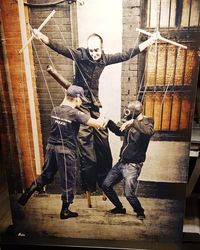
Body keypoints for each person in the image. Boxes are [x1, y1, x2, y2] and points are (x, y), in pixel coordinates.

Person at [32, 28, 159, 193]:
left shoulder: (105, 59)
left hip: (94, 104)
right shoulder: (80, 55)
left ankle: (104, 182)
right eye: (91, 50)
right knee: (86, 146)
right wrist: (41, 36)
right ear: (87, 49)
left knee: (103, 142)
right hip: (80, 104)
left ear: (102, 47)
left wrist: (150, 41)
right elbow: (59, 48)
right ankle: (89, 186)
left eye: (96, 50)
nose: (94, 54)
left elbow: (128, 54)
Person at [18, 85, 105, 219]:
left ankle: (27, 193)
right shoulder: (75, 114)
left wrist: (68, 94)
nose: (81, 102)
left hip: (51, 148)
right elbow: (97, 125)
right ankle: (65, 211)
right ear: (76, 99)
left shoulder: (55, 110)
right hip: (65, 151)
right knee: (68, 181)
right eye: (80, 99)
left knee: (47, 175)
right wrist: (103, 119)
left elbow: (66, 102)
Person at [102, 100, 154, 220]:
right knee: (106, 185)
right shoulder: (130, 122)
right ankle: (119, 208)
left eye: (129, 111)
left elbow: (149, 132)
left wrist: (132, 122)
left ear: (135, 112)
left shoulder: (147, 122)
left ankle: (140, 211)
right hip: (121, 162)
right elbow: (118, 130)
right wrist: (109, 122)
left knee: (129, 194)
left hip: (133, 166)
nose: (126, 113)